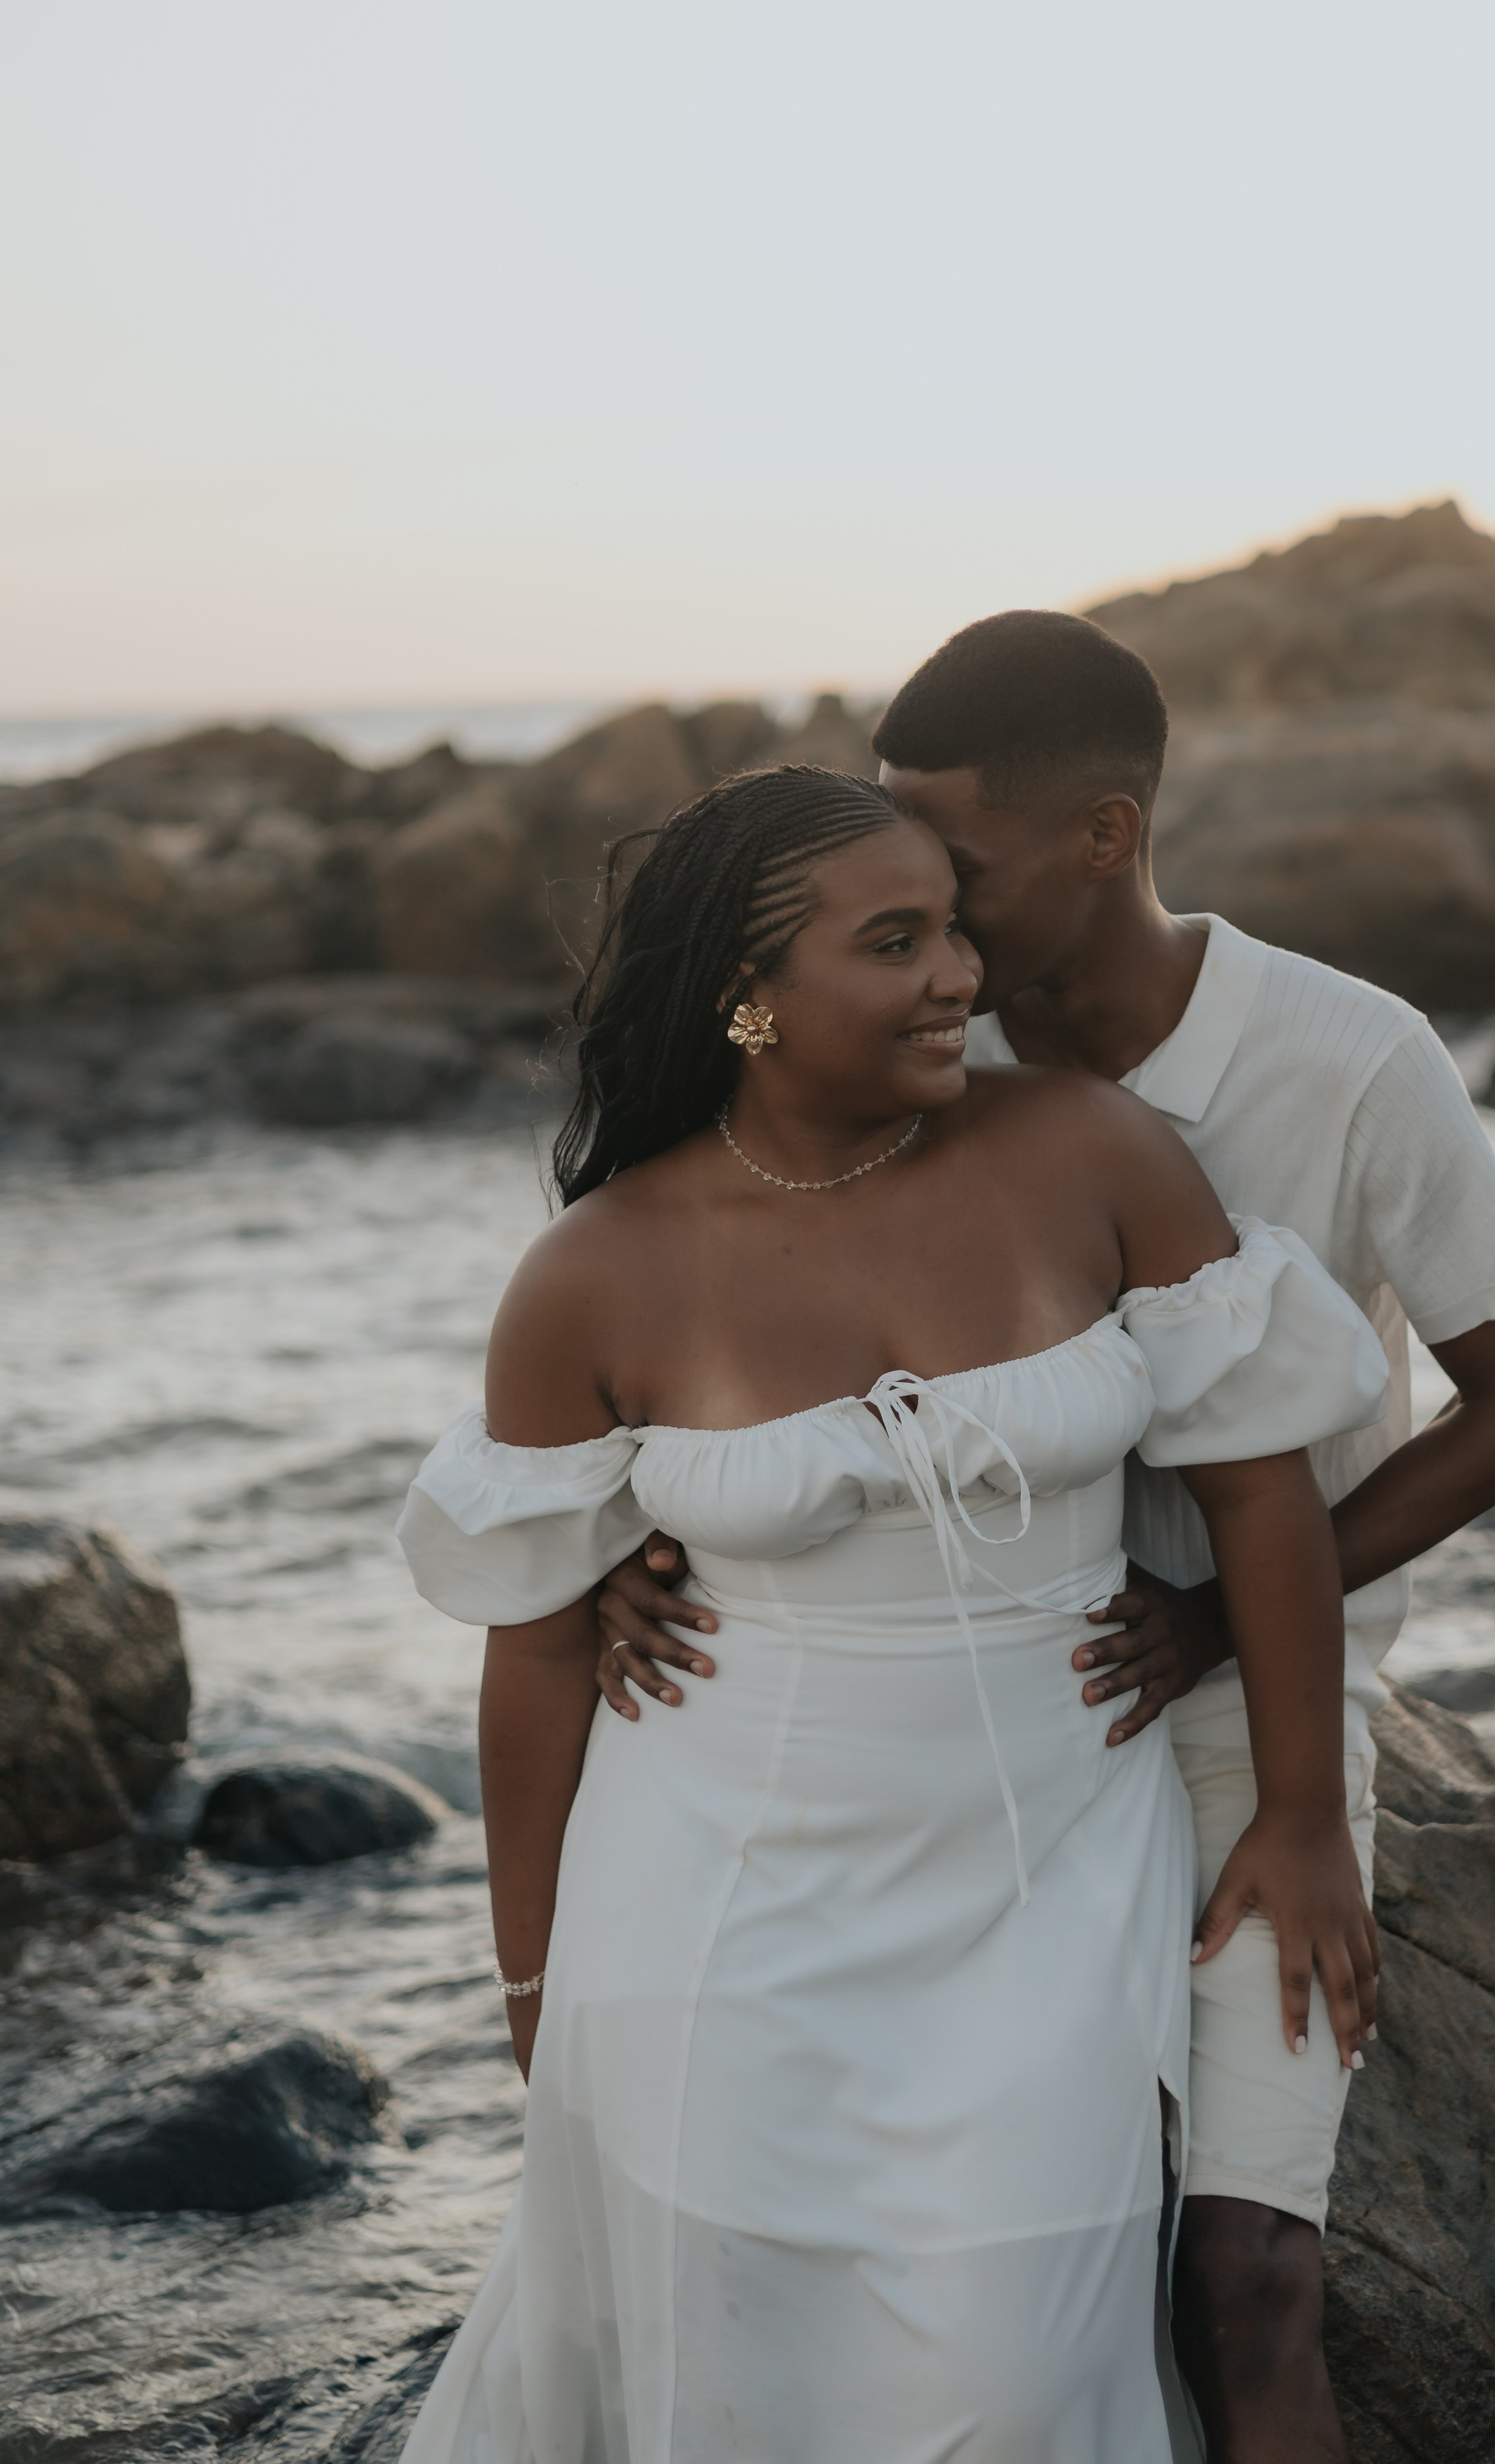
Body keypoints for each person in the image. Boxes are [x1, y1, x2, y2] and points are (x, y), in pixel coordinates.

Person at [596, 627, 1495, 2464]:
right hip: (962, 1742)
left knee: (1251, 2277)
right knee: (959, 2280)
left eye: (954, 871)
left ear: (1104, 837)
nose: (916, 910)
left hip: (1235, 1715)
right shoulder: (911, 1050)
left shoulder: (1354, 1060)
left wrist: (1236, 1662)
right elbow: (721, 1294)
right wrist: (640, 1540)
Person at [396, 762, 1390, 2464]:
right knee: (727, 2374)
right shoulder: (594, 1274)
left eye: (951, 927)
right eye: (895, 941)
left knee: (1011, 2379)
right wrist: (534, 1974)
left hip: (1051, 1869)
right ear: (748, 1001)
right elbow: (540, 1657)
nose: (960, 977)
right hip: (708, 1902)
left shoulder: (1087, 1150)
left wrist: (1301, 1818)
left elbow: (1256, 1492)